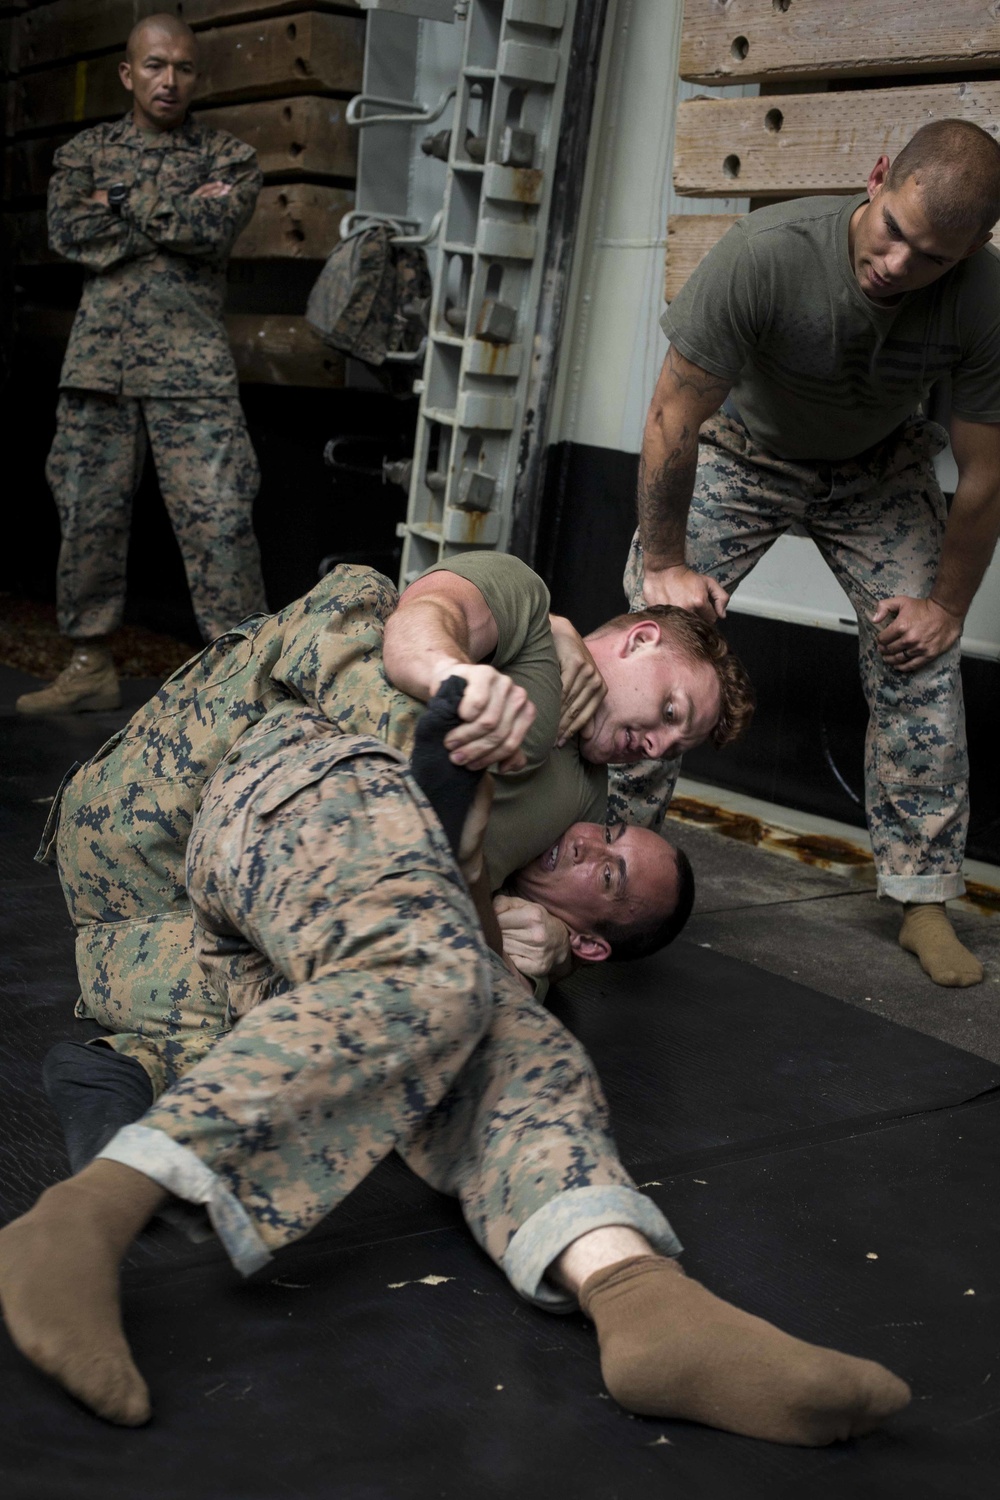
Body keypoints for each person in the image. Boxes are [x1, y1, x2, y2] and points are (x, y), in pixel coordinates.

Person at [0, 693, 909, 1446]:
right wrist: (481, 684)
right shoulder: (539, 692)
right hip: (313, 779)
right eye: (609, 837)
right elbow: (431, 627)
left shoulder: (526, 940)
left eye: (612, 879)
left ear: (592, 942)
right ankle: (82, 1220)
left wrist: (512, 934)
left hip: (292, 948)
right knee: (434, 971)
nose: (593, 845)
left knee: (515, 1035)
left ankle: (641, 1302)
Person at [625, 118, 1000, 989]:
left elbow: (983, 475)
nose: (899, 265)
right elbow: (673, 418)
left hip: (876, 469)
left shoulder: (985, 298)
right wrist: (666, 564)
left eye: (933, 257)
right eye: (894, 232)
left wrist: (946, 607)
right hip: (745, 450)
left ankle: (922, 899)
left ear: (974, 249)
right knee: (654, 636)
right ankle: (613, 843)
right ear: (877, 178)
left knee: (921, 657)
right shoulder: (767, 252)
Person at [17, 14, 267, 717]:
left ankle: (242, 681)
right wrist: (173, 213)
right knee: (86, 517)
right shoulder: (83, 152)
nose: (170, 80)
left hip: (193, 372)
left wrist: (122, 201)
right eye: (155, 65)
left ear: (198, 75)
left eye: (184, 68)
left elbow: (212, 228)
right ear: (128, 73)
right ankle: (89, 663)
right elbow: (72, 231)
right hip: (99, 369)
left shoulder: (230, 157)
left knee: (221, 521)